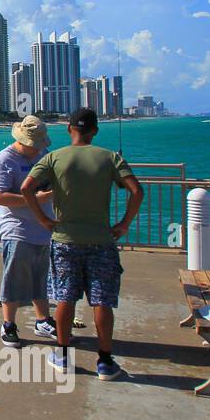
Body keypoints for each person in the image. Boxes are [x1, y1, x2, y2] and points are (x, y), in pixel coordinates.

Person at [20, 107, 144, 381]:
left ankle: (63, 356)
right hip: (101, 240)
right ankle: (105, 361)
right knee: (101, 300)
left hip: (64, 240)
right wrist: (124, 224)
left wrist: (42, 219)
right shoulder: (110, 157)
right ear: (95, 130)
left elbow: (26, 188)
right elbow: (137, 191)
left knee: (65, 298)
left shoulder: (54, 157)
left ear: (69, 129)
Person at [0, 116, 58, 347]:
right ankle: (8, 323)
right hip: (16, 229)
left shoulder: (40, 156)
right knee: (14, 278)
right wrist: (34, 198)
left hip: (42, 227)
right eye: (34, 144)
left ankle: (43, 320)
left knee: (41, 278)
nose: (38, 148)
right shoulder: (3, 161)